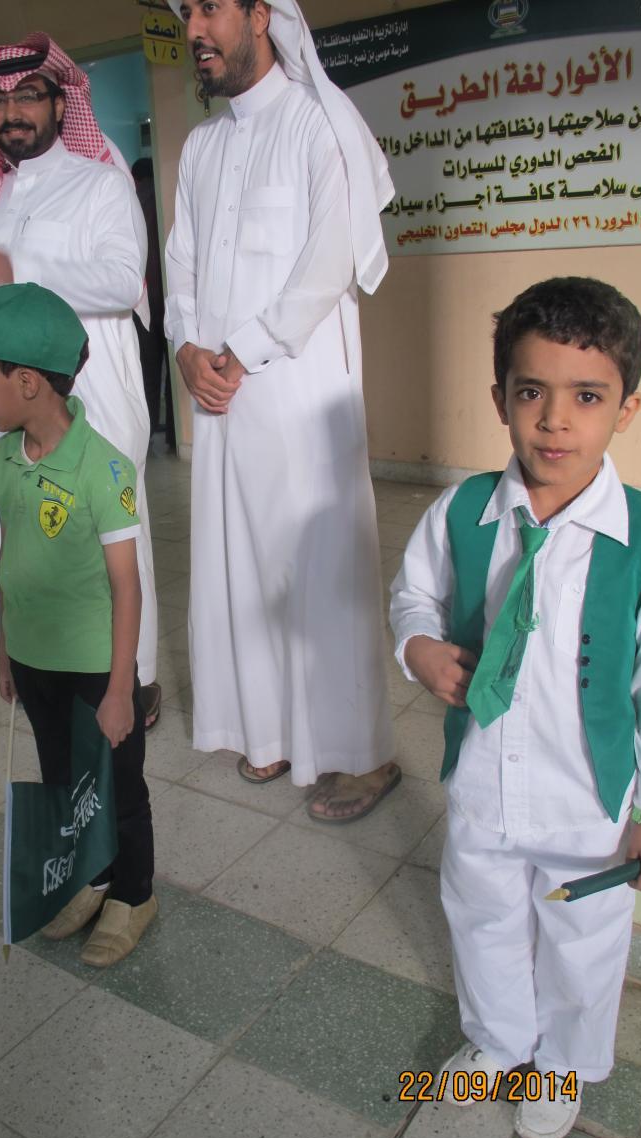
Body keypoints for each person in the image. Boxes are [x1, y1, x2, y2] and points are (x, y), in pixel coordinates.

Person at [389, 276, 641, 1138]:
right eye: (532, 393)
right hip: (484, 784)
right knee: (481, 919)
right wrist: (417, 647)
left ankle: (561, 1063)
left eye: (587, 397)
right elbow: (412, 596)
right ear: (500, 399)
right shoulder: (462, 511)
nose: (556, 421)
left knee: (582, 942)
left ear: (627, 410)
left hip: (586, 802)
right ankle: (498, 1040)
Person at [164, 0, 399, 819]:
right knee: (240, 567)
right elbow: (181, 263)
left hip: (298, 396)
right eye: (185, 11)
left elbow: (331, 259)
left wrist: (242, 350)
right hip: (221, 400)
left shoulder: (317, 124)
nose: (194, 29)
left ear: (261, 14)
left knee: (322, 573)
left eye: (210, 7)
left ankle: (363, 755)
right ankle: (266, 731)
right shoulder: (202, 146)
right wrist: (187, 348)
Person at [0, 283, 157, 964]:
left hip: (95, 666)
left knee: (116, 788)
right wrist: (4, 649)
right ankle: (92, 876)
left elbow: (127, 585)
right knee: (62, 781)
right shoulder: (3, 457)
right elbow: (10, 557)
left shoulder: (103, 468)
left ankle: (134, 893)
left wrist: (119, 689)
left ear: (26, 382)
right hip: (33, 658)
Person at [0, 33, 161, 727]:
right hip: (9, 402)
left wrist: (21, 276)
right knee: (23, 532)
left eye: (28, 96)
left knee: (112, 533)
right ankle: (37, 661)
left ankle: (134, 676)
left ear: (60, 104)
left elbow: (123, 282)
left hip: (94, 389)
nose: (12, 113)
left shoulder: (101, 183)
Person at [131, 157, 176, 451]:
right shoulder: (169, 201)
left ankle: (145, 436)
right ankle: (174, 435)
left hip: (144, 303)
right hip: (171, 299)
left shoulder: (132, 203)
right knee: (174, 372)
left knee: (146, 373)